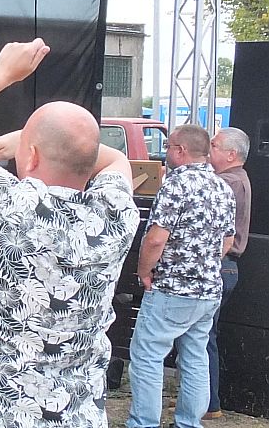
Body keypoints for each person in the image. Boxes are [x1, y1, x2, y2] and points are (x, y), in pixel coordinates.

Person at [0, 38, 140, 427]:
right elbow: (116, 159)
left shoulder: (6, 205)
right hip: (76, 417)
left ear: (32, 155)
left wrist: (2, 74)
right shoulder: (116, 215)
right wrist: (32, 140)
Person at [126, 124, 236, 428]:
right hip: (208, 289)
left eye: (169, 147)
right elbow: (227, 241)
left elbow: (156, 239)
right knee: (196, 357)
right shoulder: (222, 188)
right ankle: (189, 422)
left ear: (181, 150)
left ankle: (144, 422)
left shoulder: (175, 185)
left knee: (148, 356)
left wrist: (144, 271)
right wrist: (204, 263)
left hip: (171, 288)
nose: (166, 153)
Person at [204, 126, 251, 420]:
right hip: (227, 267)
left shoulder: (226, 184)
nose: (209, 150)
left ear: (231, 154)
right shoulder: (235, 180)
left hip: (220, 265)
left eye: (215, 145)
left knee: (202, 337)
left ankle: (209, 403)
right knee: (202, 336)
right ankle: (202, 399)